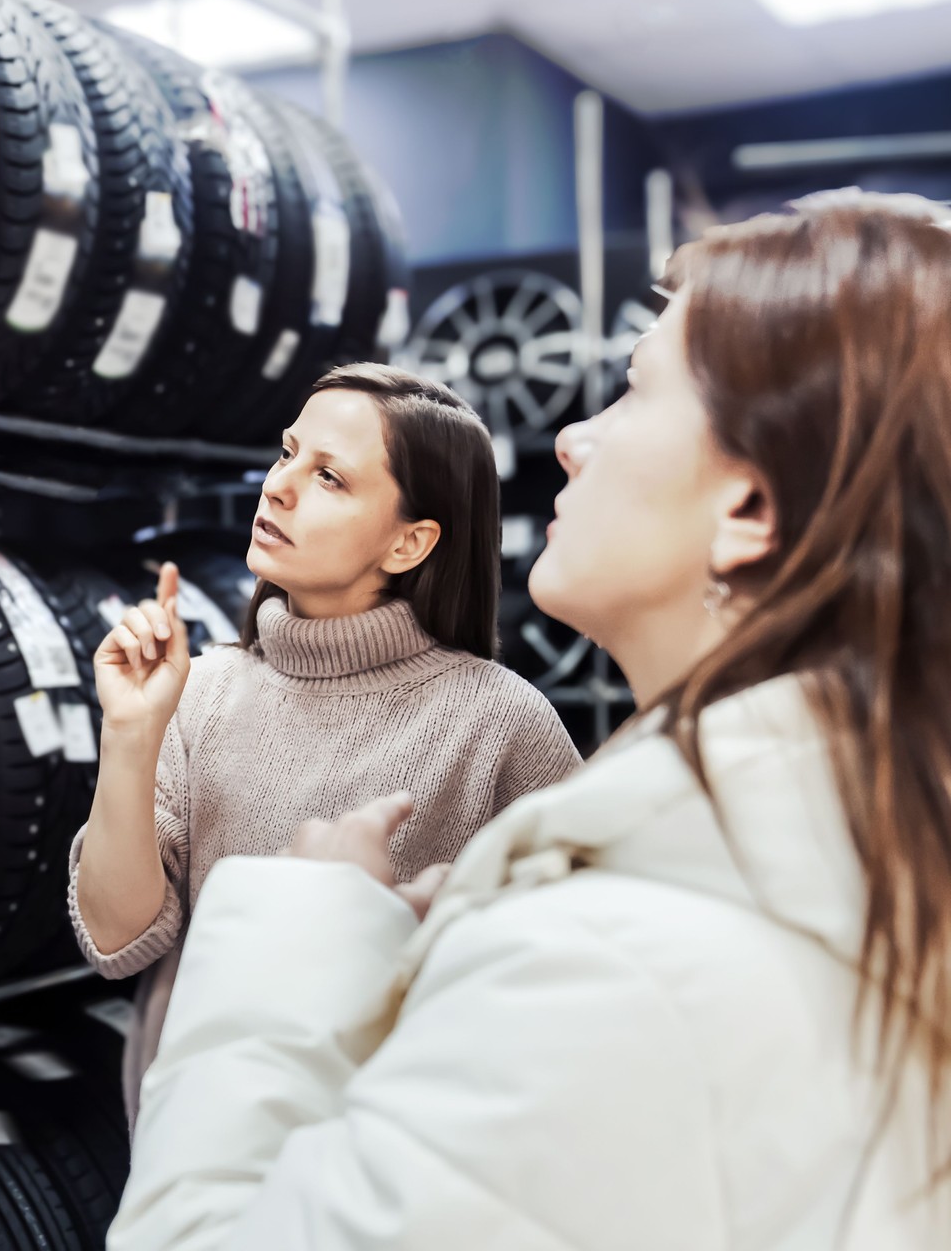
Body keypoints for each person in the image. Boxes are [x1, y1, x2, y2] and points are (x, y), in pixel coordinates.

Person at [111, 191, 951, 1249]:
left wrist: (310, 925)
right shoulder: (857, 857)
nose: (569, 437)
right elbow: (119, 930)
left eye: (635, 395)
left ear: (747, 509)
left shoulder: (610, 956)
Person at [72, 363, 580, 1120]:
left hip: (387, 1174)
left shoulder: (501, 721)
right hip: (200, 1144)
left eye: (330, 478)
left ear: (410, 543)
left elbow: (566, 990)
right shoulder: (201, 690)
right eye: (286, 453)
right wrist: (131, 732)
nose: (277, 487)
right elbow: (119, 939)